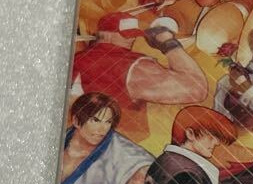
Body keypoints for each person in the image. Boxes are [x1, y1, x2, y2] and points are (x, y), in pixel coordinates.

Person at [71, 10, 208, 141]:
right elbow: (197, 89)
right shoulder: (129, 64)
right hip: (120, 145)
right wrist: (168, 42)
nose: (132, 39)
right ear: (106, 35)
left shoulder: (77, 58)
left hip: (81, 139)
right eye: (126, 34)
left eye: (134, 34)